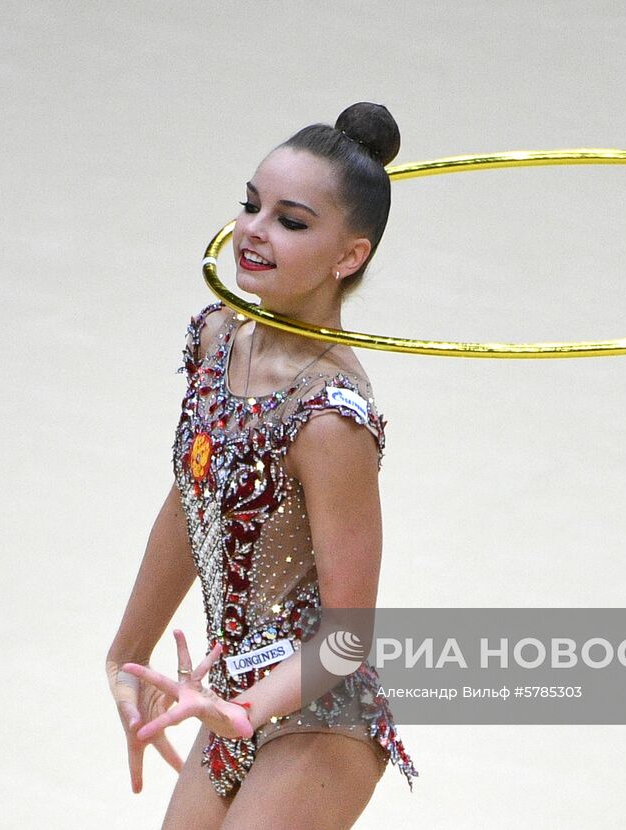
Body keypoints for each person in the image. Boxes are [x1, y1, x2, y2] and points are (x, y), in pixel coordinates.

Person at [105, 102, 417, 829]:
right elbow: (196, 499)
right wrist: (126, 652)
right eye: (251, 205)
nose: (253, 229)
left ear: (349, 256)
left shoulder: (331, 417)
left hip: (318, 713)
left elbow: (347, 636)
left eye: (291, 220)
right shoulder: (219, 341)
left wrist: (243, 709)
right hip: (228, 698)